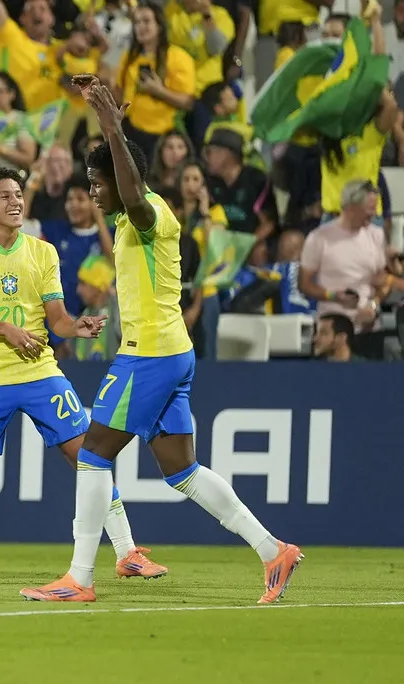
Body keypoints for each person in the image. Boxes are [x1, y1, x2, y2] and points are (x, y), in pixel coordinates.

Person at [21, 77, 301, 604]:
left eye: (96, 183)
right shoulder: (131, 221)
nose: (93, 192)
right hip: (172, 352)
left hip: (149, 353)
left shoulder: (150, 212)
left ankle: (79, 579)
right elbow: (125, 193)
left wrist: (112, 129)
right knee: (183, 472)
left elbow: (131, 192)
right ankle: (273, 551)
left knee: (93, 457)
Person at [0, 165, 167, 585]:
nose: (16, 201)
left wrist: (75, 326)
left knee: (90, 457)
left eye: (19, 194)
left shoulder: (42, 252)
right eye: (5, 196)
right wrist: (3, 329)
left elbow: (55, 319)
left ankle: (127, 552)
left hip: (41, 372)